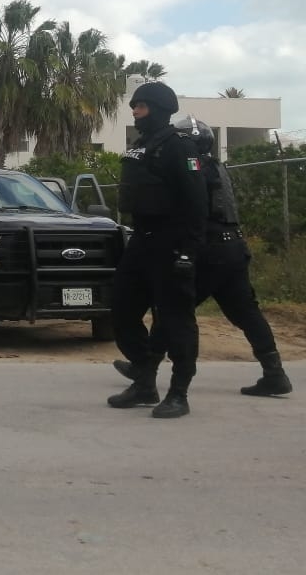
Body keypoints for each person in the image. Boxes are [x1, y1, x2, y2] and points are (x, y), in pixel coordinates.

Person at [114, 116, 292, 397]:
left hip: (207, 250)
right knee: (245, 311)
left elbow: (189, 209)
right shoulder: (217, 167)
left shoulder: (192, 169)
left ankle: (145, 372)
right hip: (233, 247)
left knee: (172, 313)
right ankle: (274, 371)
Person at [107, 81, 208, 419]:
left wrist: (188, 251)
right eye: (134, 106)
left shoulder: (180, 147)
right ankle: (144, 378)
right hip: (142, 240)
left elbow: (196, 204)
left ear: (159, 109)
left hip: (171, 240)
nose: (135, 111)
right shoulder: (143, 144)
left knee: (176, 320)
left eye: (141, 106)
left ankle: (179, 392)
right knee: (121, 308)